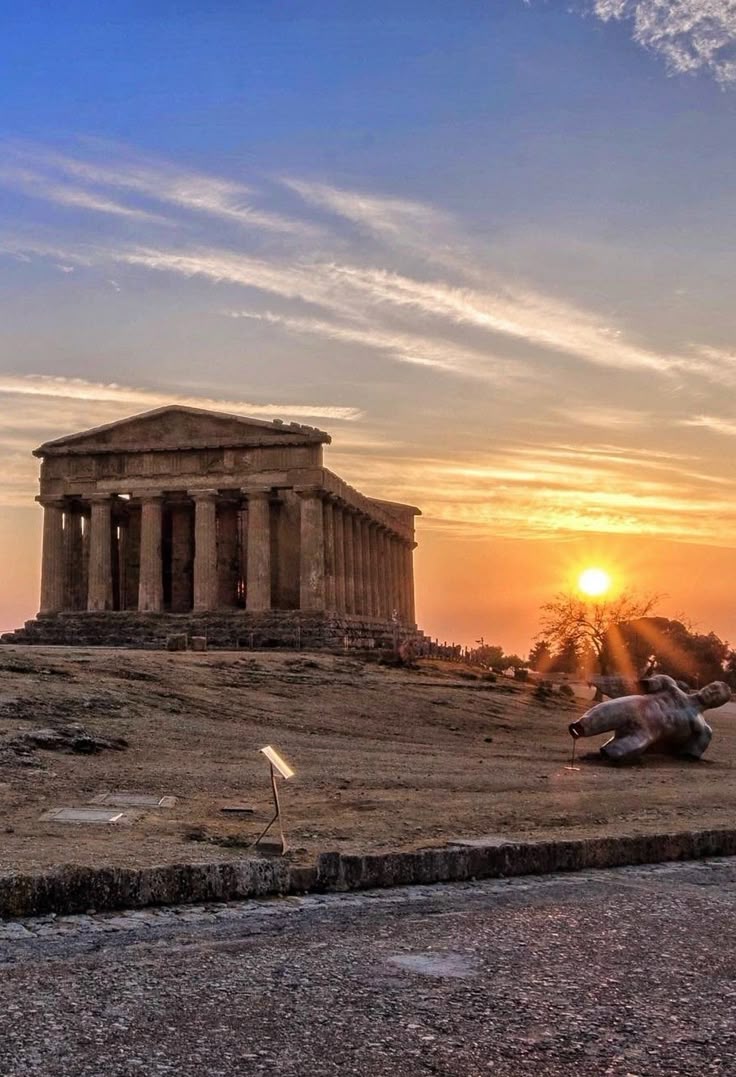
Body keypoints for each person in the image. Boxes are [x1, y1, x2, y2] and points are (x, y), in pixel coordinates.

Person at [568, 675, 731, 764]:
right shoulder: (671, 686)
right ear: (707, 685)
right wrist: (649, 683)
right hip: (635, 707)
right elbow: (648, 684)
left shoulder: (702, 728)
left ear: (717, 704)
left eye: (717, 695)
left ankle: (606, 755)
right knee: (616, 708)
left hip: (648, 732)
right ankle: (582, 727)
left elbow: (688, 755)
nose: (712, 692)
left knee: (622, 751)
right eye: (713, 688)